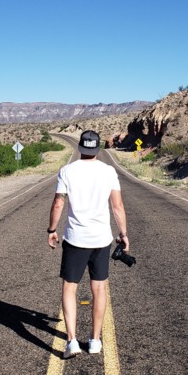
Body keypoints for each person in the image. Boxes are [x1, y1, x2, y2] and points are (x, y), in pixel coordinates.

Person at [47, 130, 130, 359]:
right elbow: (117, 206)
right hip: (101, 239)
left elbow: (58, 204)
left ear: (80, 147)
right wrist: (123, 234)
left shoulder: (67, 171)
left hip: (75, 239)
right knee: (99, 288)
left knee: (69, 287)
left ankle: (72, 341)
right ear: (98, 149)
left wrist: (52, 230)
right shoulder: (108, 171)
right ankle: (95, 341)